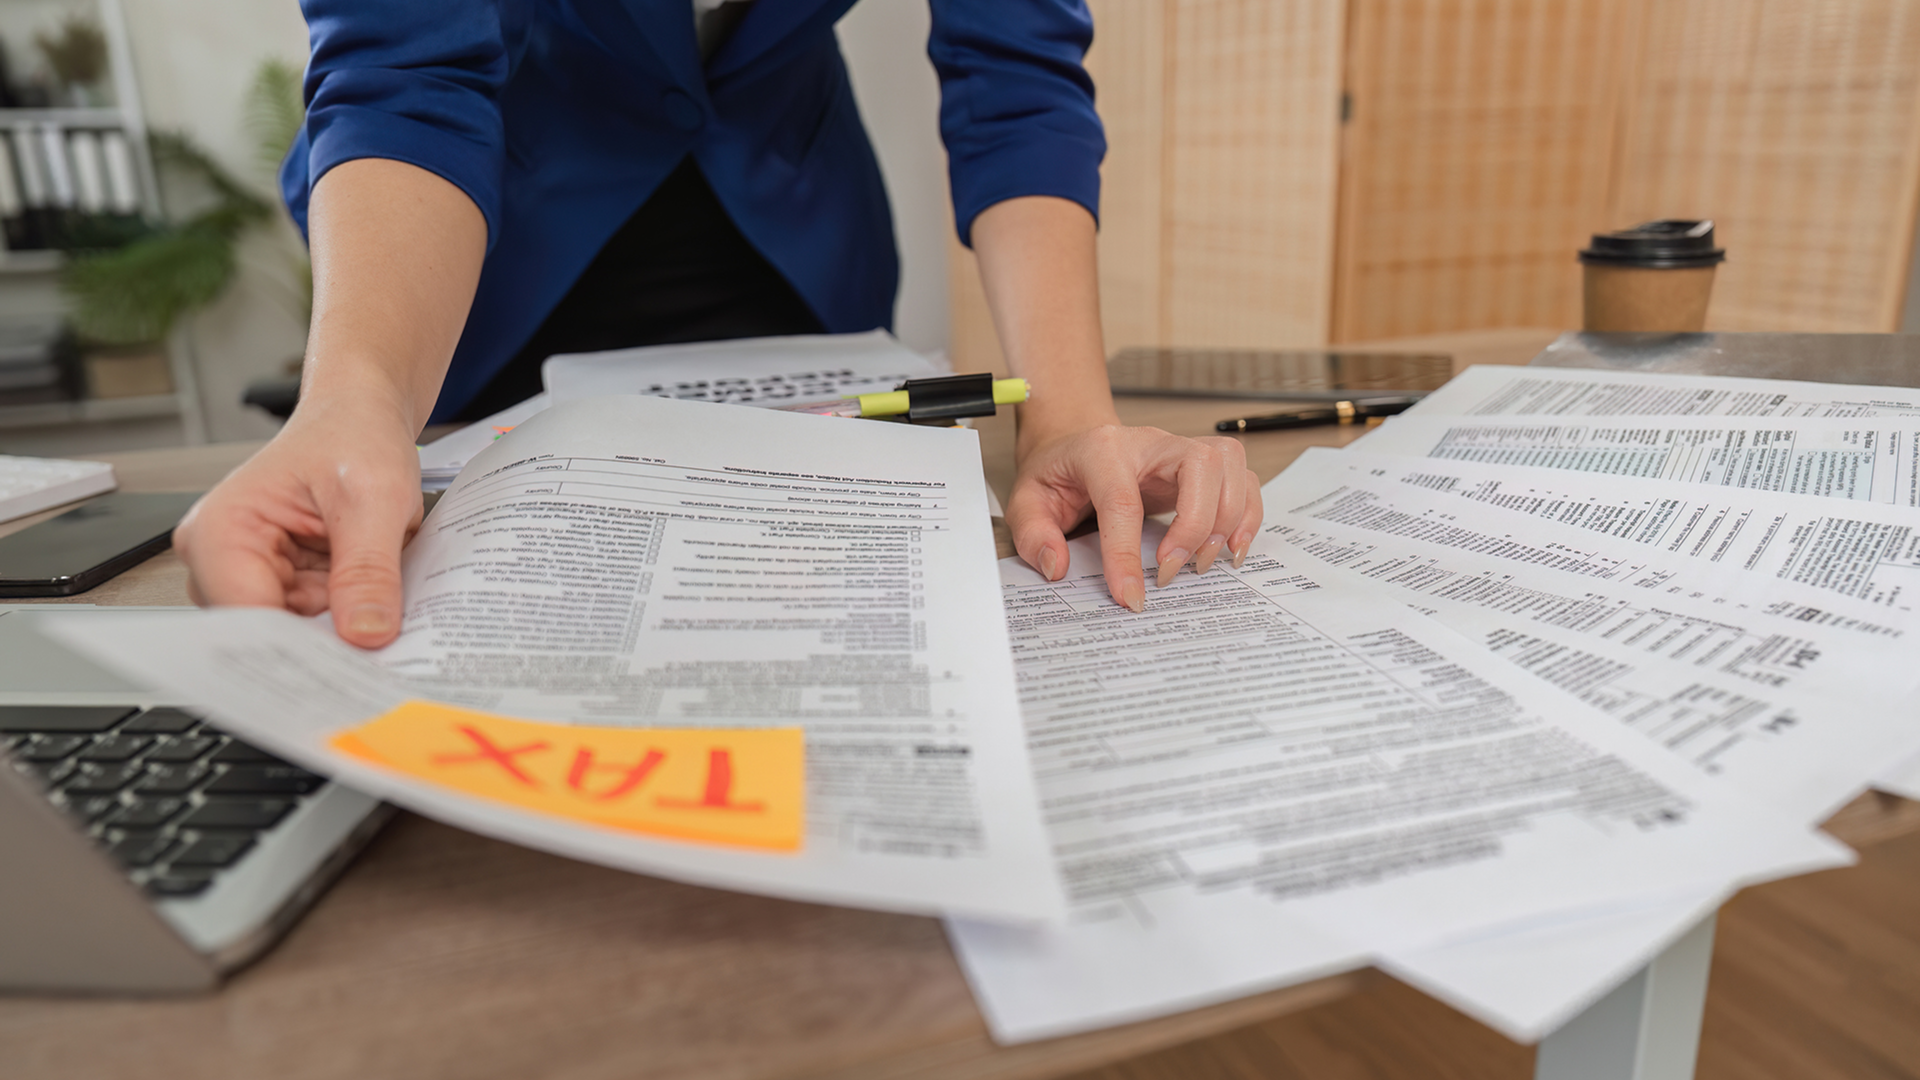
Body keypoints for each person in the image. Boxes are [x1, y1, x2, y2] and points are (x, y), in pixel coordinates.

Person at [174, 0, 1263, 648]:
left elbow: (1016, 76)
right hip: (486, 243)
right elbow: (407, 74)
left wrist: (1069, 417)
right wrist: (358, 394)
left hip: (790, 228)